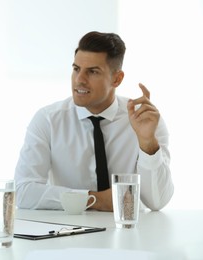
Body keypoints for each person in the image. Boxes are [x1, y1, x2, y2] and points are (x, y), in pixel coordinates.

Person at [14, 31, 174, 212]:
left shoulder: (145, 121)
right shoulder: (48, 120)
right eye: (76, 69)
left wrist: (148, 143)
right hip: (68, 235)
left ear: (117, 78)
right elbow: (23, 192)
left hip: (130, 234)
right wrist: (94, 199)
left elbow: (157, 201)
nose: (79, 80)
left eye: (92, 72)